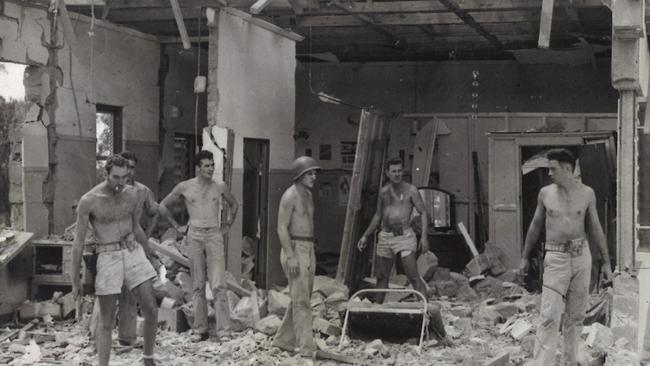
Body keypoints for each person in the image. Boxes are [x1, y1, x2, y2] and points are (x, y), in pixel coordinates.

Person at [518, 148, 613, 365]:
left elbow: (596, 228)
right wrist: (524, 257)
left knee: (575, 316)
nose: (549, 173)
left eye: (553, 168)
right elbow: (535, 226)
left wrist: (606, 262)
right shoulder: (546, 193)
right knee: (549, 316)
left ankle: (569, 362)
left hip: (582, 257)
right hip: (556, 257)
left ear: (568, 169)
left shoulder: (587, 193)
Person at [72, 155, 159, 366]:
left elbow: (136, 228)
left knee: (151, 309)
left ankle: (148, 359)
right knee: (107, 320)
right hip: (107, 255)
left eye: (124, 177)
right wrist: (75, 279)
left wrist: (150, 254)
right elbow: (79, 241)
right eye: (115, 177)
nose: (120, 182)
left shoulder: (132, 195)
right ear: (106, 174)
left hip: (132, 251)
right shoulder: (89, 200)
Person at [357, 157, 450, 345]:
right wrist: (366, 236)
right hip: (385, 235)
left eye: (400, 171)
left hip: (405, 236)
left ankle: (428, 318)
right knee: (382, 277)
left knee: (413, 275)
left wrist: (424, 237)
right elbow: (377, 215)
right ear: (387, 173)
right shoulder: (384, 192)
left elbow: (424, 212)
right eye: (393, 171)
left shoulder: (411, 190)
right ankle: (376, 317)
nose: (397, 174)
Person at [158, 150, 238, 342]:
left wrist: (227, 225)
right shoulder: (185, 187)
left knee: (218, 284)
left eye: (212, 165)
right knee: (198, 284)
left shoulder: (219, 186)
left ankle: (224, 330)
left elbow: (234, 205)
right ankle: (200, 329)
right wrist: (178, 226)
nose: (211, 169)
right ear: (198, 168)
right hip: (194, 235)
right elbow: (162, 205)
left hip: (214, 235)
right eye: (206, 166)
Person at [272, 156, 320, 361]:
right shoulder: (289, 196)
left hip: (308, 247)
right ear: (299, 175)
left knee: (301, 297)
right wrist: (290, 255)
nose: (314, 177)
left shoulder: (308, 195)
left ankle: (283, 340)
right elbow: (281, 228)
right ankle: (306, 349)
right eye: (310, 173)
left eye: (314, 173)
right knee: (302, 301)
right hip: (295, 248)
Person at [116, 151, 162, 347]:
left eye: (132, 168)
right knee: (107, 292)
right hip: (111, 246)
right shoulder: (111, 189)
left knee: (131, 291)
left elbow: (154, 211)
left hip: (134, 244)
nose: (129, 171)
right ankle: (97, 338)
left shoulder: (142, 191)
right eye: (126, 167)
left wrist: (147, 234)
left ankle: (127, 337)